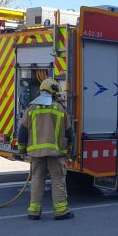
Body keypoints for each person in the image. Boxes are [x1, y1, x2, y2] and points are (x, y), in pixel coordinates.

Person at [17, 78, 75, 220]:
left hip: (36, 153)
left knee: (37, 179)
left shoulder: (31, 108)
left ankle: (34, 212)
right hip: (55, 153)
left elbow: (22, 132)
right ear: (53, 92)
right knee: (58, 179)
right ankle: (61, 211)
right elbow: (69, 133)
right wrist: (68, 151)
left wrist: (22, 150)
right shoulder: (60, 109)